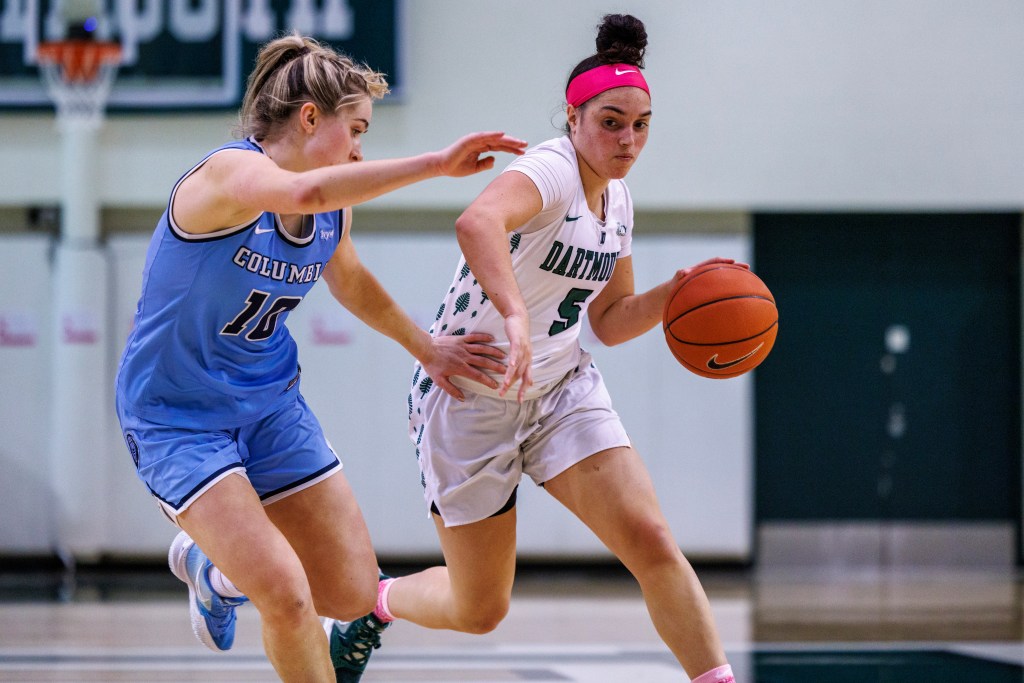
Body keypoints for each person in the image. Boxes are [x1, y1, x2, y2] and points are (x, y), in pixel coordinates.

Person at [330, 13, 740, 683]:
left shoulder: (620, 202)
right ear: (574, 119)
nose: (627, 138)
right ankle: (373, 604)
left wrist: (679, 291)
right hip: (469, 397)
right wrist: (516, 314)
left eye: (640, 124)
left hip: (559, 390)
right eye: (611, 121)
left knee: (653, 540)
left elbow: (608, 321)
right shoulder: (549, 169)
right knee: (479, 607)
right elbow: (477, 220)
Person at [113, 33, 525, 682]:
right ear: (310, 118)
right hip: (178, 415)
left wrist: (430, 348)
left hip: (270, 405)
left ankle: (215, 571)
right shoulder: (227, 174)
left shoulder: (333, 213)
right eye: (356, 129)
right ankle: (233, 570)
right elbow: (302, 196)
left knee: (352, 592)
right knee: (284, 591)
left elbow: (351, 281)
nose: (362, 148)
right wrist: (436, 164)